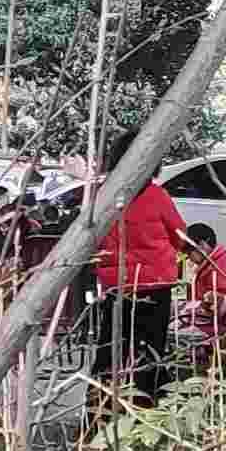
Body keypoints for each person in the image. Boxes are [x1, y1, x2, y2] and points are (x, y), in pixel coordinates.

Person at [92, 169, 188, 398]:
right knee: (151, 348)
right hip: (155, 284)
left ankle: (99, 403)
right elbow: (179, 234)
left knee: (111, 347)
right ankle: (147, 400)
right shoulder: (156, 195)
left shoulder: (103, 196)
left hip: (118, 284)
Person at [182, 220, 226, 364]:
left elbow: (221, 305)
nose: (188, 256)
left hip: (217, 325)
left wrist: (193, 307)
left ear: (202, 245)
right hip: (212, 318)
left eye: (189, 251)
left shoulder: (219, 267)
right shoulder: (217, 260)